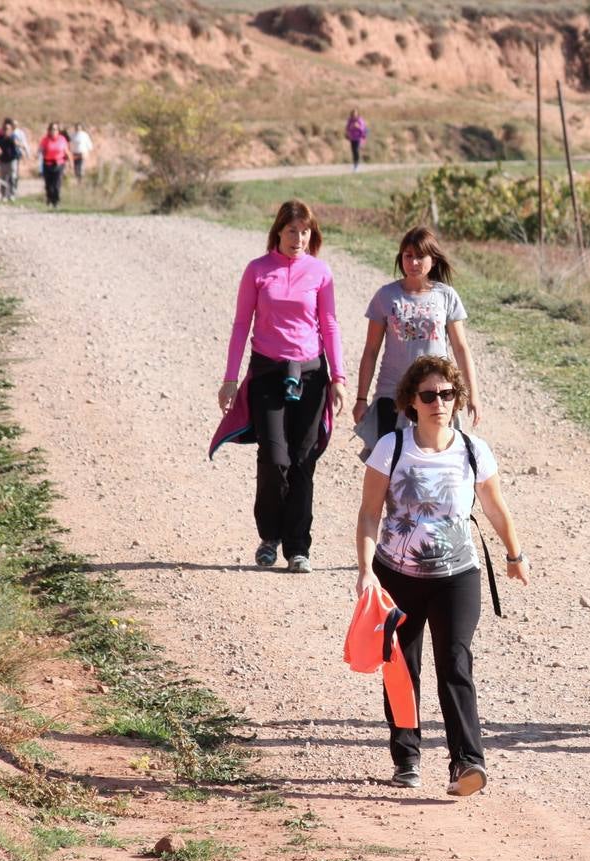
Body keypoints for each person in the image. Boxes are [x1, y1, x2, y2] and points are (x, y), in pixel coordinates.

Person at [355, 354, 527, 796]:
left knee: (455, 662)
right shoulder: (391, 448)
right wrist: (365, 572)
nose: (439, 402)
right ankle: (407, 758)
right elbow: (370, 514)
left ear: (457, 398)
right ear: (412, 401)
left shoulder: (473, 449)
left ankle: (467, 763)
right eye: (429, 395)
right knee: (400, 666)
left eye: (447, 394)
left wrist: (514, 553)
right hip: (396, 573)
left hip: (458, 574)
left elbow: (493, 506)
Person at [216, 199, 348, 574]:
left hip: (310, 375)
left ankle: (298, 547)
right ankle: (269, 536)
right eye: (292, 231)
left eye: (305, 231)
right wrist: (229, 378)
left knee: (303, 461)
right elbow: (242, 324)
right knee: (275, 458)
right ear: (278, 232)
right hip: (268, 374)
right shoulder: (258, 271)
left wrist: (338, 378)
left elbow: (331, 324)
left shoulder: (320, 272)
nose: (299, 238)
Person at [352, 226, 480, 457]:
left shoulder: (446, 296)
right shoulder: (386, 296)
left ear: (433, 259)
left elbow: (461, 349)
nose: (413, 262)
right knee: (389, 465)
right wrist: (361, 399)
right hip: (392, 394)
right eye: (408, 256)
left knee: (435, 460)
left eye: (420, 256)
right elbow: (371, 350)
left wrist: (473, 395)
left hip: (435, 394)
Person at [37, 122, 69, 208]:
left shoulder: (62, 139)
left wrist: (70, 163)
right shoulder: (45, 140)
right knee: (48, 185)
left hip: (59, 164)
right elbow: (40, 150)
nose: (53, 131)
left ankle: (56, 201)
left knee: (57, 184)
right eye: (51, 129)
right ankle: (49, 199)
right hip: (47, 164)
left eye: (55, 129)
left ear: (58, 131)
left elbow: (67, 152)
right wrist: (39, 154)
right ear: (49, 130)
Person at [0, 120, 20, 202]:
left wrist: (15, 143)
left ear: (11, 130)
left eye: (8, 129)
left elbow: (19, 145)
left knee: (12, 178)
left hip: (12, 160)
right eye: (5, 129)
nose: (6, 131)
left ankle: (12, 194)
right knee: (3, 179)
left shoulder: (13, 138)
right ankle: (3, 195)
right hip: (3, 161)